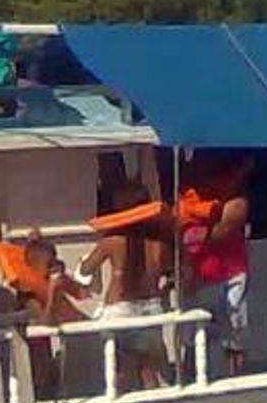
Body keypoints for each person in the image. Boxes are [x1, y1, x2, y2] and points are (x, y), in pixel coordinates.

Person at [79, 181, 171, 390]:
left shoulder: (112, 241)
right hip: (152, 306)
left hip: (120, 310)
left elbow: (86, 270)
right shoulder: (159, 243)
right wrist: (165, 291)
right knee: (148, 370)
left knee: (119, 370)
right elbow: (173, 271)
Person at [181, 155, 253, 376]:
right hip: (198, 275)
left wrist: (193, 230)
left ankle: (236, 378)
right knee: (191, 334)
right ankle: (190, 379)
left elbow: (222, 232)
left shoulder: (236, 202)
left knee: (234, 332)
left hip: (232, 275)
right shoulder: (187, 199)